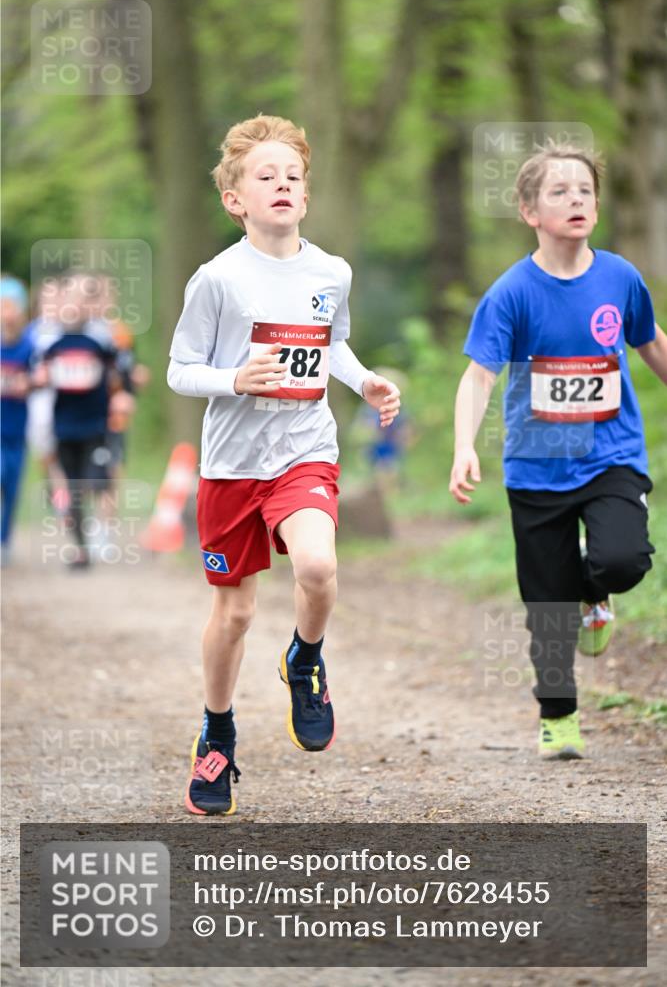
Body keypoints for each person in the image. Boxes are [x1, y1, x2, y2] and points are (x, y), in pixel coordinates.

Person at [167, 114, 400, 816]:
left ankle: (304, 658)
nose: (282, 184)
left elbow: (332, 346)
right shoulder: (217, 279)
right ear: (234, 199)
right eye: (265, 176)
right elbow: (180, 369)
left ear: (305, 193)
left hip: (304, 449)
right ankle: (217, 732)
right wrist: (234, 380)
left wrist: (365, 382)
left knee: (318, 567)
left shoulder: (331, 272)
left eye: (292, 176)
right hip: (232, 466)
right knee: (235, 613)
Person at [449, 140, 667, 760]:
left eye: (585, 190)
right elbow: (479, 376)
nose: (576, 199)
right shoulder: (512, 292)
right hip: (538, 462)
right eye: (559, 191)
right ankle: (559, 716)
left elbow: (651, 343)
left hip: (610, 453)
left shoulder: (620, 278)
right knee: (547, 604)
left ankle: (595, 591)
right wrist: (464, 445)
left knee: (624, 560)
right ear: (530, 212)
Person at [36, 272, 119, 569]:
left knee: (98, 479)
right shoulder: (51, 343)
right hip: (64, 427)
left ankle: (101, 533)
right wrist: (39, 379)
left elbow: (117, 373)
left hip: (95, 425)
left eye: (82, 302)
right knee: (72, 490)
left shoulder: (100, 340)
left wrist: (120, 394)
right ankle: (81, 548)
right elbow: (39, 377)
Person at [1, 276, 38, 564]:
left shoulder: (29, 346)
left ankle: (4, 540)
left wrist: (31, 382)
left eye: (11, 306)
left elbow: (41, 377)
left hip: (17, 429)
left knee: (12, 487)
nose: (7, 313)